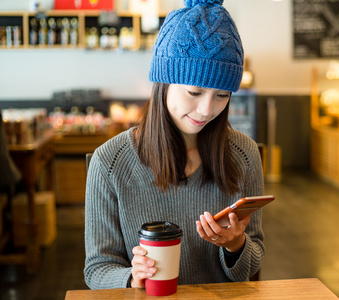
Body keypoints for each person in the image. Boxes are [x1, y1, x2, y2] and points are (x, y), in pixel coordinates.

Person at [84, 0, 264, 290]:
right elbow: (97, 269)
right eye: (194, 92)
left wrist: (236, 244)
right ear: (163, 83)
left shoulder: (244, 154)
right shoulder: (110, 161)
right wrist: (131, 278)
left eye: (222, 95)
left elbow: (252, 261)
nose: (207, 110)